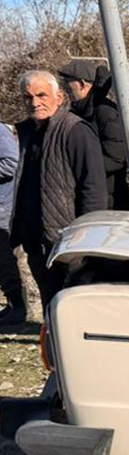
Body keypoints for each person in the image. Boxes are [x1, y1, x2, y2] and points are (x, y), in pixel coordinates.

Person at [9, 71, 106, 308]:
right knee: (50, 306)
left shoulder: (76, 131)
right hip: (36, 239)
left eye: (42, 95)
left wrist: (85, 236)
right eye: (28, 97)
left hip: (69, 241)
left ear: (59, 97)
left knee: (73, 307)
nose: (35, 103)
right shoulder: (28, 132)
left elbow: (93, 188)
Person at [59, 59, 129, 212]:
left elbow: (116, 158)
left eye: (68, 83)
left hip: (110, 199)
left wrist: (82, 167)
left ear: (83, 83)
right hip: (84, 194)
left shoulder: (107, 112)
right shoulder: (76, 112)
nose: (65, 89)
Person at [0, 123, 24, 325]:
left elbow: (12, 161)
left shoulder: (0, 132)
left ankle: (19, 306)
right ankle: (12, 304)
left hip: (2, 207)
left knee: (5, 258)